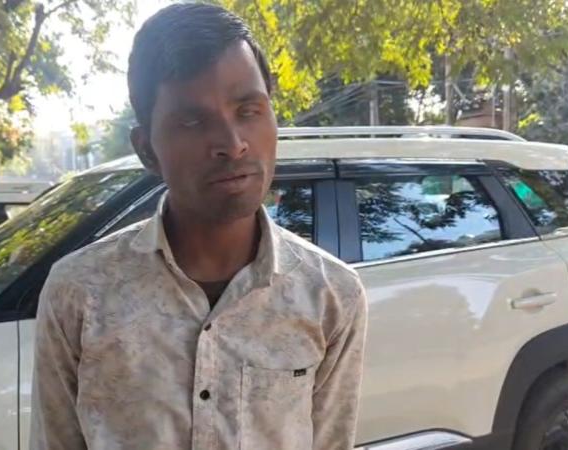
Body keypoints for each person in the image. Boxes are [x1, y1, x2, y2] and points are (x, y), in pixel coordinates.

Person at [30, 4, 368, 450]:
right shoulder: (80, 292)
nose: (232, 143)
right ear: (146, 149)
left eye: (248, 110)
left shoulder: (330, 296)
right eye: (192, 121)